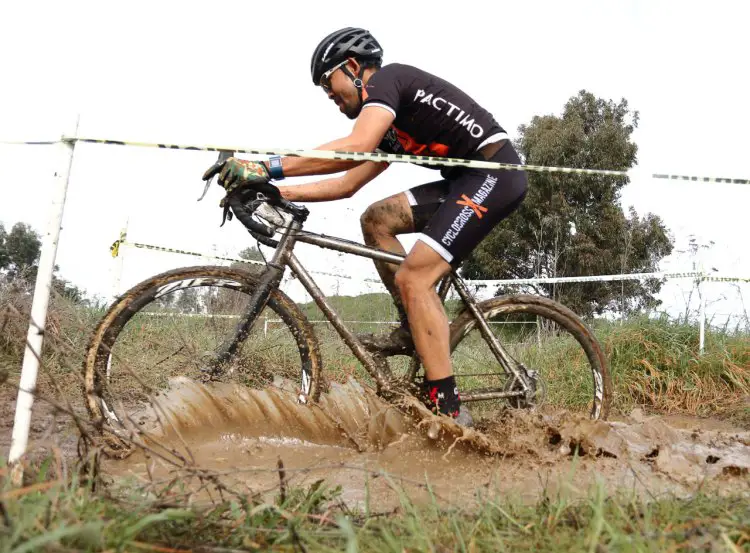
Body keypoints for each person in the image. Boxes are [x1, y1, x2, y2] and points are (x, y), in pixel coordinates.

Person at [203, 27, 528, 426]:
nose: (328, 94)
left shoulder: (391, 80)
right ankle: (413, 327)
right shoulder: (388, 129)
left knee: (415, 279)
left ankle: (449, 410)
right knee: (376, 220)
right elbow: (347, 183)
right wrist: (278, 192)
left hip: (496, 176)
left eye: (328, 81)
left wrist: (265, 165)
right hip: (463, 181)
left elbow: (354, 147)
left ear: (354, 67)